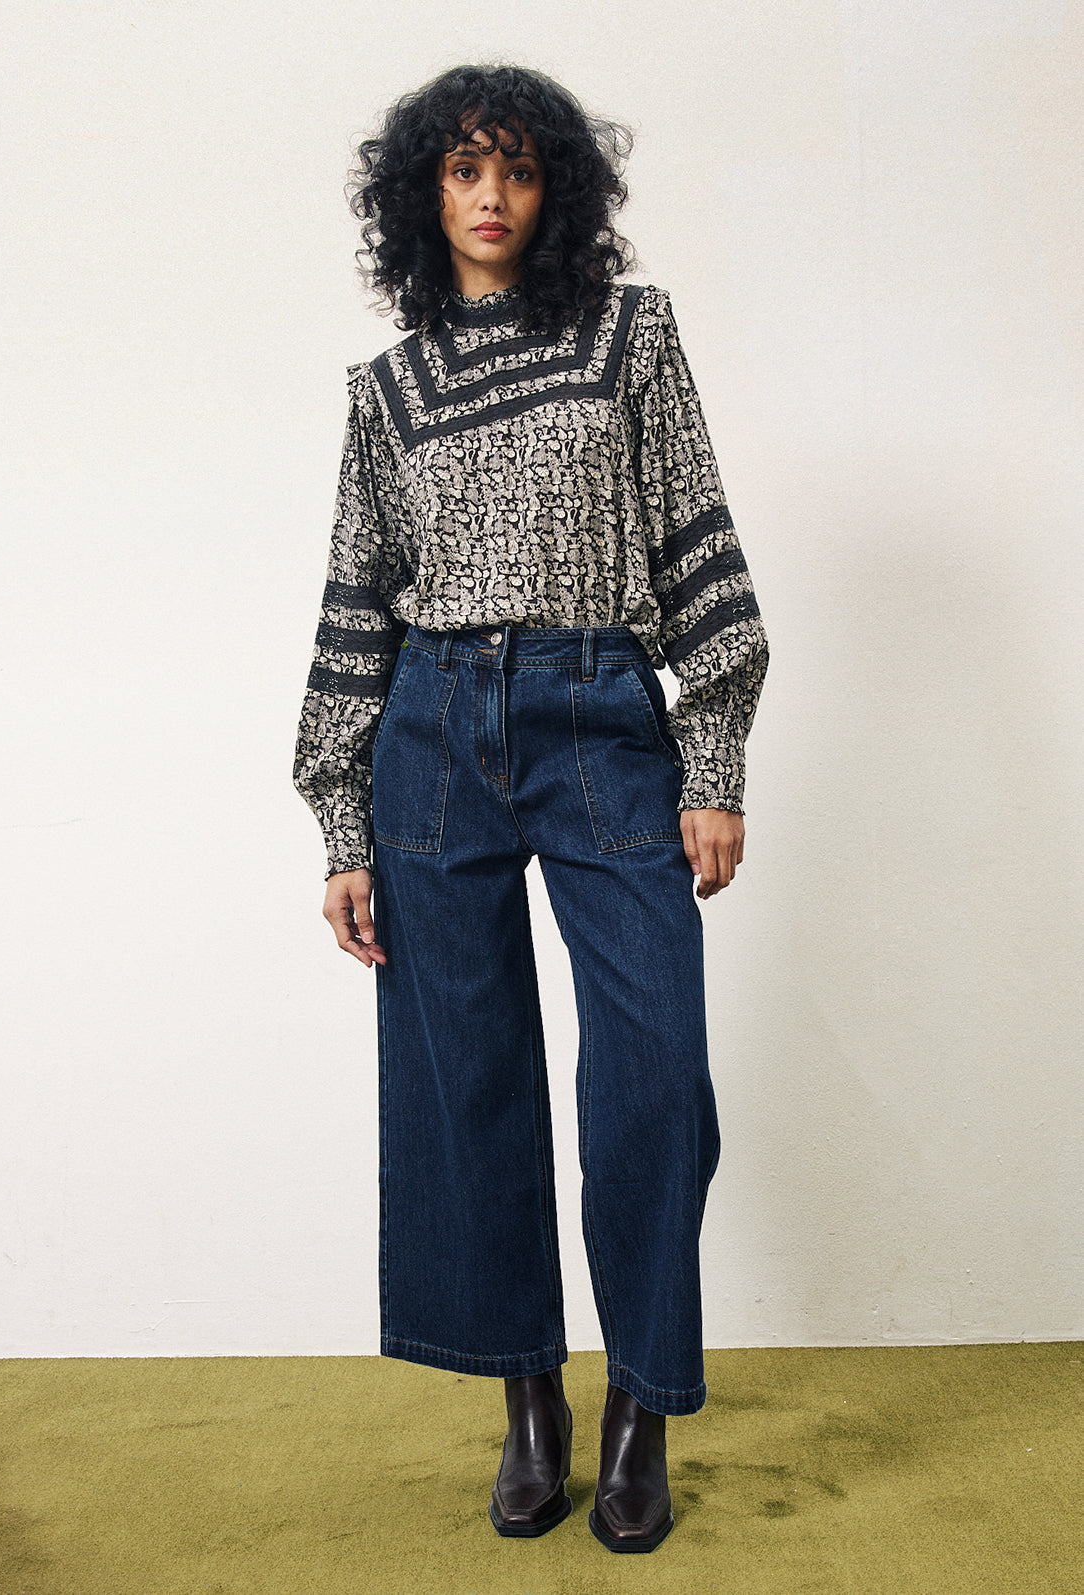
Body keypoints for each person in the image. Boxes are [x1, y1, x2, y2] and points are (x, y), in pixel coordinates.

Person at [293, 62, 768, 1554]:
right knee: (466, 1083)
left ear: (555, 188)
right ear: (420, 195)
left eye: (516, 168)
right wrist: (341, 823)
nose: (489, 196)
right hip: (430, 734)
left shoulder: (631, 334)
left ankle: (639, 1403)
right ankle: (527, 1401)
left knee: (652, 1077)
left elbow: (697, 541)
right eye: (460, 170)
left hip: (596, 721)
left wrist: (714, 762)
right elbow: (354, 604)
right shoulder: (389, 392)